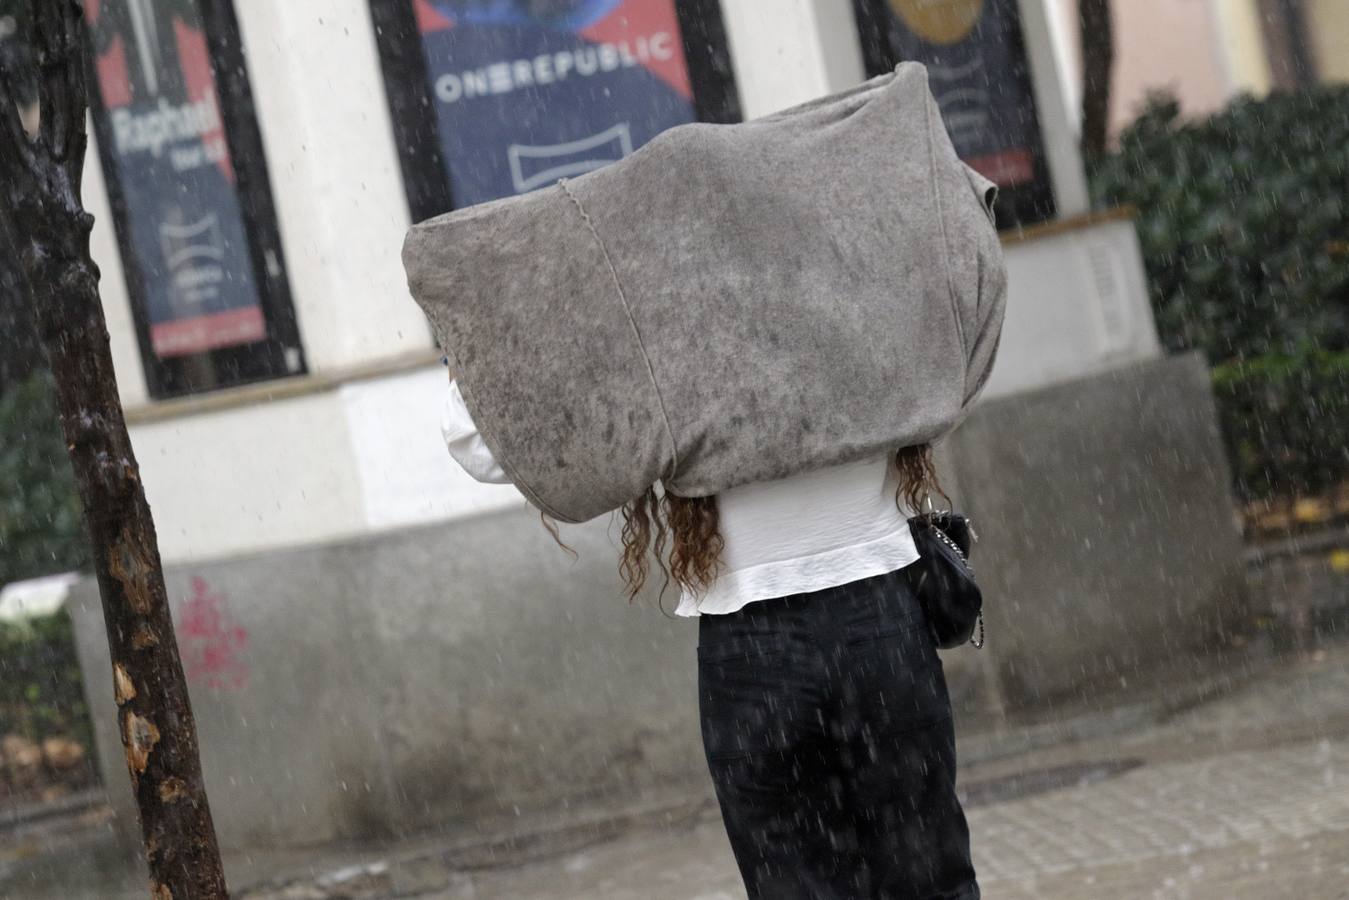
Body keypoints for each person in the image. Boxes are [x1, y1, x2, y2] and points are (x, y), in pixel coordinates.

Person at [440, 371, 980, 899]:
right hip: (879, 626)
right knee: (930, 875)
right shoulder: (854, 292)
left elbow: (478, 443)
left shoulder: (657, 321)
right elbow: (955, 358)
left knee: (796, 879)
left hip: (755, 653)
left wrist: (473, 333)